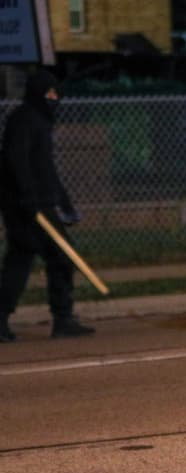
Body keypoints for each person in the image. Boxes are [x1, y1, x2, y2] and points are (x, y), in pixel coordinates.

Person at [0, 69, 94, 342]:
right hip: (28, 207)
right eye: (49, 93)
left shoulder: (40, 121)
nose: (54, 98)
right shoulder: (24, 120)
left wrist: (64, 202)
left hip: (39, 204)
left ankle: (54, 317)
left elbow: (47, 169)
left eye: (56, 93)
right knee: (59, 257)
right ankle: (62, 318)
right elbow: (17, 162)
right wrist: (28, 199)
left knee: (22, 260)